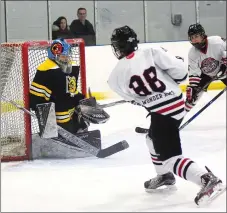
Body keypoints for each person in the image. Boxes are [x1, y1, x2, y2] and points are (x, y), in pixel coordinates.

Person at [107, 25, 225, 206]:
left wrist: (149, 98)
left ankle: (207, 179)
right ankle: (164, 175)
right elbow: (181, 73)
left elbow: (135, 100)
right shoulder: (152, 52)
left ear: (118, 47)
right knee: (151, 137)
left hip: (162, 112)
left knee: (170, 158)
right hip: (177, 103)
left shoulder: (114, 77)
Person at [30, 38, 88, 135]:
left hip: (70, 110)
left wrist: (81, 100)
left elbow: (71, 90)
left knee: (78, 125)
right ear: (54, 55)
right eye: (63, 55)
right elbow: (37, 98)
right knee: (64, 131)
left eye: (67, 55)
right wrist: (44, 116)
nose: (66, 58)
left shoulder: (72, 67)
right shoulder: (48, 70)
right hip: (57, 115)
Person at [185, 23, 226, 112]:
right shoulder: (192, 54)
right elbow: (194, 73)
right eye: (192, 37)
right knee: (192, 97)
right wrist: (193, 88)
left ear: (203, 35)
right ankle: (177, 120)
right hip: (206, 75)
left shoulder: (217, 42)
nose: (194, 40)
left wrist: (225, 64)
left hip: (224, 71)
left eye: (196, 36)